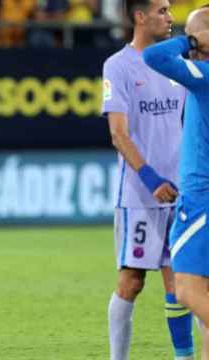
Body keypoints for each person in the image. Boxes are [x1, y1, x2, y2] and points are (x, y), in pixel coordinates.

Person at [101, 1, 194, 359]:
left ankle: (183, 357)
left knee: (181, 283)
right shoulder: (119, 66)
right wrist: (152, 177)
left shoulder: (176, 65)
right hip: (140, 194)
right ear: (140, 16)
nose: (170, 17)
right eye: (162, 10)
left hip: (180, 191)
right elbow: (119, 134)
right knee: (132, 281)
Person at [143, 6, 209, 359]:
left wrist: (190, 39)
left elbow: (154, 55)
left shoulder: (204, 75)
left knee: (186, 291)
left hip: (201, 198)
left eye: (192, 33)